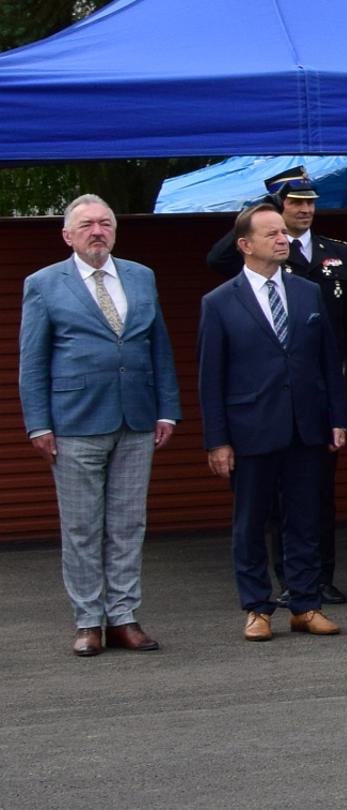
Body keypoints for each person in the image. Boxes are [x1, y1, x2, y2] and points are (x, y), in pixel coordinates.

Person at [18, 194, 181, 657]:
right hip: (74, 422)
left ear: (114, 231)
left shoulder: (140, 276)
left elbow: (159, 348)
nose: (97, 231)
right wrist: (38, 425)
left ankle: (124, 617)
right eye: (87, 224)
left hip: (136, 418)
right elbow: (33, 361)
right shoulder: (44, 284)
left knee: (129, 523)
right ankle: (89, 620)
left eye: (105, 223)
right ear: (67, 235)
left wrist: (167, 409)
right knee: (82, 527)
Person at [206, 166, 347, 606]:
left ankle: (311, 591)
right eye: (291, 206)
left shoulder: (323, 271)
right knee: (257, 516)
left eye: (309, 204)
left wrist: (343, 405)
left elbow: (343, 345)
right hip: (255, 417)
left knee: (310, 511)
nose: (301, 215)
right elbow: (211, 376)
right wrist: (262, 210)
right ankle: (267, 596)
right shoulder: (231, 288)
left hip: (310, 411)